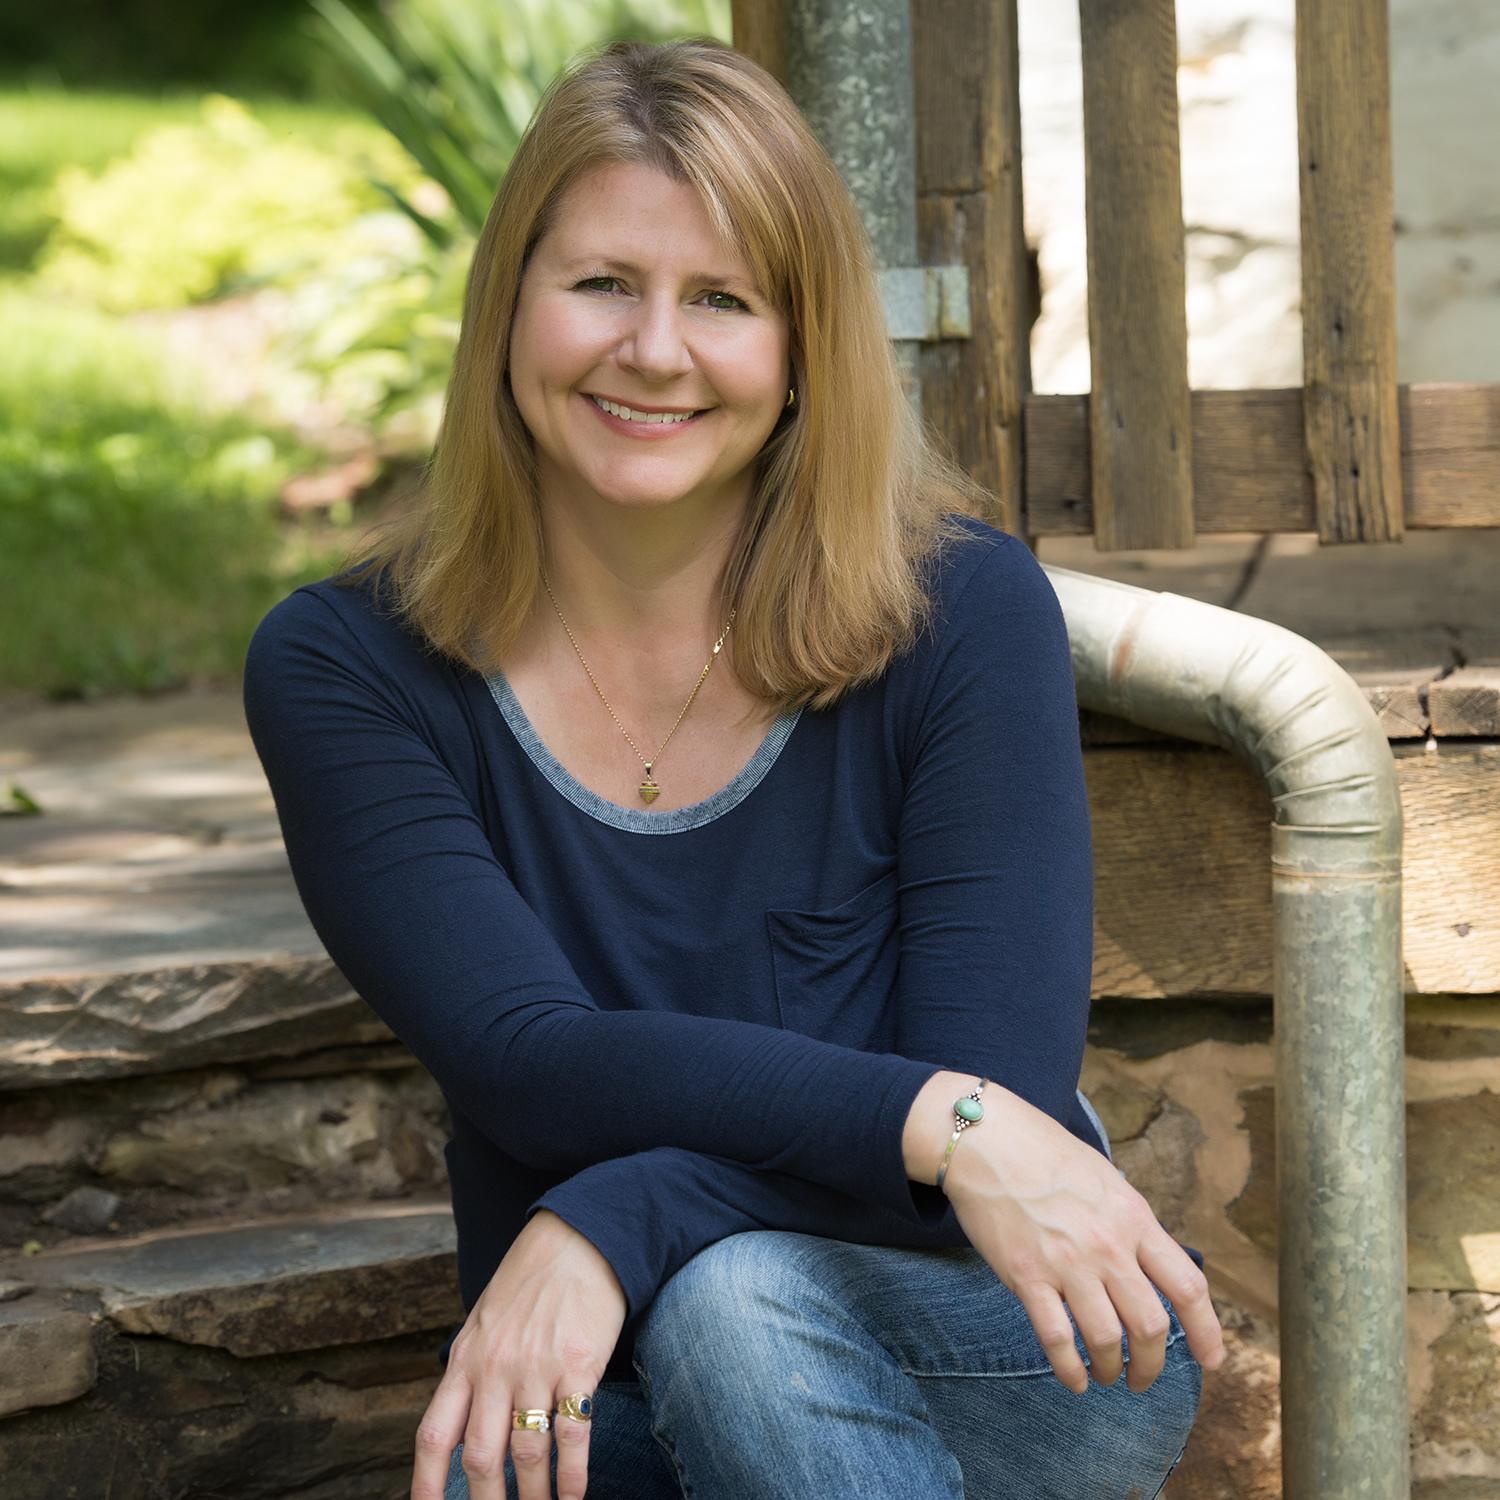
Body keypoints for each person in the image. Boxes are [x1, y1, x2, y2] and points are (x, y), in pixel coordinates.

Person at [245, 36, 1223, 1500]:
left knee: (742, 1306)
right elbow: (533, 1061)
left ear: (802, 350)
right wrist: (923, 1120)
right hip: (612, 1388)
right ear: (508, 304)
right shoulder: (350, 667)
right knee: (496, 1465)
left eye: (722, 300)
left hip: (1007, 1334)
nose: (654, 350)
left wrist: (615, 1217)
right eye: (601, 285)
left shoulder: (958, 610)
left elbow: (1002, 1097)